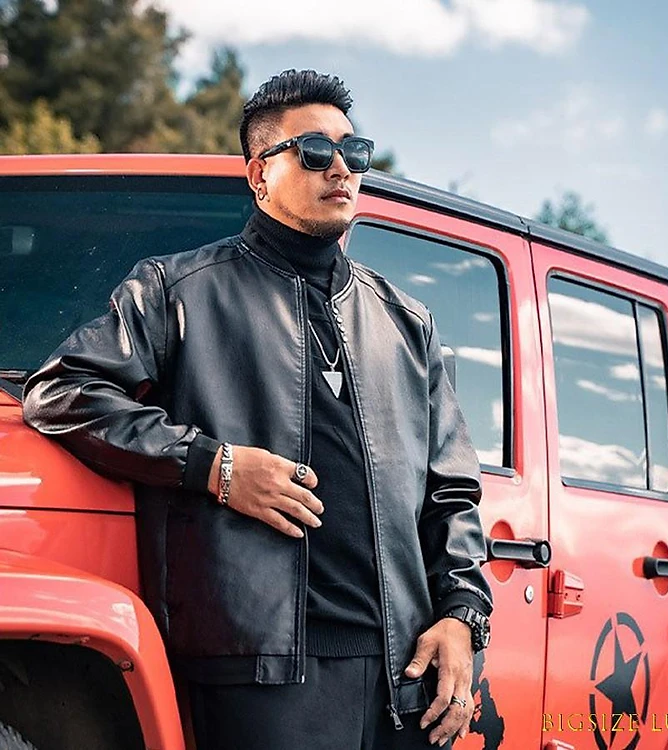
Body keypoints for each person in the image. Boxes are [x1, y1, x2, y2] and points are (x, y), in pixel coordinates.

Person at [23, 69, 493, 750]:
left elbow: (452, 491)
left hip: (405, 677)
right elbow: (64, 390)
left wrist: (464, 615)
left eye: (353, 151)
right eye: (314, 151)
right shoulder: (178, 288)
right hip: (261, 673)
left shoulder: (406, 321)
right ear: (259, 174)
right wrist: (214, 466)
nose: (340, 167)